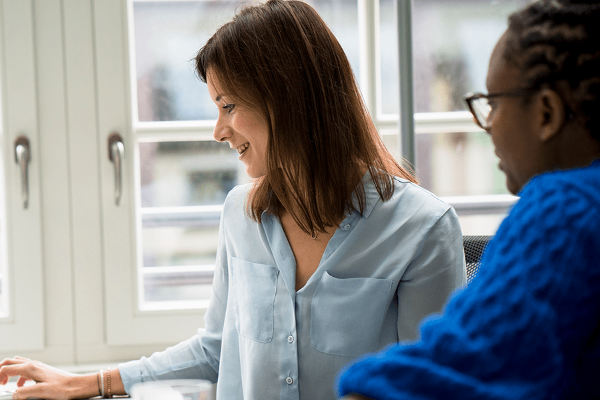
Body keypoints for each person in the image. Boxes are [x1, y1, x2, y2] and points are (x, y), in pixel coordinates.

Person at [0, 1, 465, 399]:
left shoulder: (422, 228)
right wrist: (90, 382)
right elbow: (216, 348)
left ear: (287, 100)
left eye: (228, 106)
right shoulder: (240, 214)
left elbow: (428, 385)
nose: (219, 130)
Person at [337, 0, 600, 399]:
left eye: (493, 104)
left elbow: (453, 369)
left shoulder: (568, 210)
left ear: (547, 112)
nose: (488, 126)